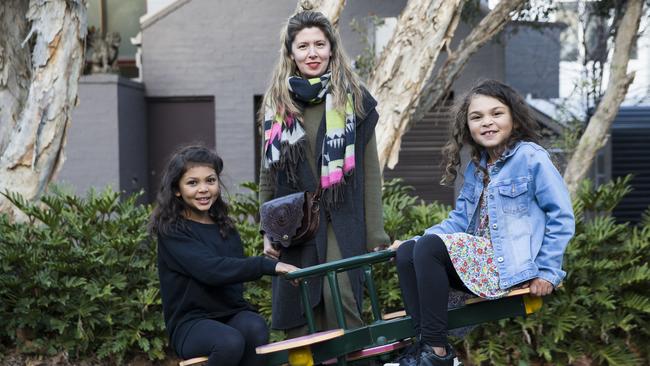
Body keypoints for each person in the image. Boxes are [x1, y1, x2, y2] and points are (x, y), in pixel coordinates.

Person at [389, 80, 575, 366]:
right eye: (477, 117)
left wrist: (548, 272)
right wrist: (414, 240)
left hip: (509, 264)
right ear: (468, 127)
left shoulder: (530, 157)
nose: (487, 122)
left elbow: (561, 216)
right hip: (481, 263)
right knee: (408, 253)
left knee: (427, 248)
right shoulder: (479, 168)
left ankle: (437, 353)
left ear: (513, 118)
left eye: (496, 113)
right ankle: (425, 347)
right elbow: (459, 221)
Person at [258, 11, 390, 336]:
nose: (312, 53)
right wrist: (268, 231)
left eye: (320, 43)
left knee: (339, 299)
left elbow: (371, 173)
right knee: (302, 315)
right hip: (295, 223)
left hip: (341, 217)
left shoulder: (354, 99)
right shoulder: (278, 105)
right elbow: (268, 175)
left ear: (332, 48)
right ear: (290, 53)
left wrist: (376, 236)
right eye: (303, 46)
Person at [150, 145, 299, 366]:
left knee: (255, 328)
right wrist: (270, 266)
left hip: (231, 313)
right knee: (228, 342)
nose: (203, 189)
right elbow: (211, 270)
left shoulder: (224, 227)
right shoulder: (172, 231)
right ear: (177, 190)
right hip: (191, 323)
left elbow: (233, 272)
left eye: (210, 180)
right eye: (193, 183)